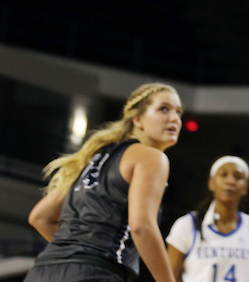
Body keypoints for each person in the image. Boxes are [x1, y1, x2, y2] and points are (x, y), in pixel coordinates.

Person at [25, 83, 183, 282]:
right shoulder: (151, 157)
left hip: (43, 272)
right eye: (164, 109)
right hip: (95, 273)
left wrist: (74, 253)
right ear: (137, 119)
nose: (174, 118)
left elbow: (40, 217)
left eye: (178, 112)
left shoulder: (93, 157)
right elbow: (142, 227)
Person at [166, 156, 249, 282]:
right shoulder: (186, 225)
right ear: (211, 183)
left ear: (246, 188)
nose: (230, 181)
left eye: (238, 177)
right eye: (223, 175)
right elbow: (168, 277)